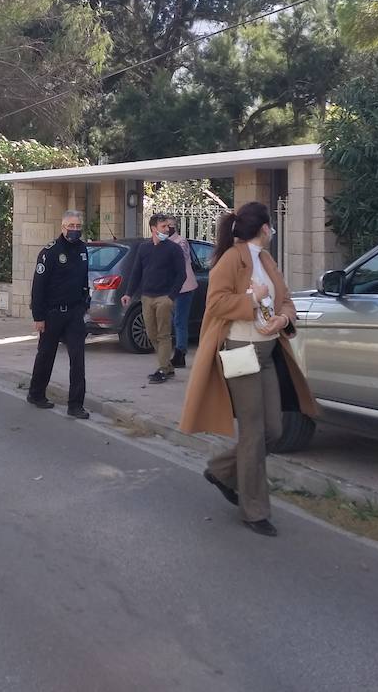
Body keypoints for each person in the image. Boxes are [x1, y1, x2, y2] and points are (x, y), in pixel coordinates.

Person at [179, 201, 318, 537]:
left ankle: (221, 469)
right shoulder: (231, 259)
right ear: (265, 228)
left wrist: (283, 318)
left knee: (274, 429)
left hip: (268, 354)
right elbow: (215, 303)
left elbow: (286, 300)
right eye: (271, 226)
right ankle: (254, 510)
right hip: (240, 351)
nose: (272, 231)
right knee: (254, 433)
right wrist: (253, 300)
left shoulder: (266, 260)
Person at [26, 210, 91, 419]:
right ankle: (36, 394)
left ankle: (75, 405)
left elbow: (83, 280)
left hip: (74, 314)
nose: (74, 230)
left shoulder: (82, 249)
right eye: (70, 226)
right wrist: (38, 317)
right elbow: (38, 287)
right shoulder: (50, 252)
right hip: (52, 314)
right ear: (62, 227)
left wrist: (84, 305)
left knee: (78, 359)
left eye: (77, 226)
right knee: (45, 355)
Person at [121, 213, 187, 384]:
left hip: (164, 297)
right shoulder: (144, 248)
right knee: (151, 334)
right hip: (147, 297)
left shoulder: (174, 249)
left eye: (168, 226)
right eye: (163, 226)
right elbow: (136, 273)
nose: (168, 229)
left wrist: (171, 297)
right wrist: (128, 293)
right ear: (153, 229)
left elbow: (182, 275)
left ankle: (163, 369)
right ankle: (167, 366)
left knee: (163, 334)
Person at [165, 215, 199, 369]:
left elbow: (183, 260)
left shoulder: (181, 242)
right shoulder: (164, 243)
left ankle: (180, 353)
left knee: (180, 321)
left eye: (171, 225)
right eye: (166, 225)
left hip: (185, 287)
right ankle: (177, 350)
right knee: (174, 320)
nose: (168, 228)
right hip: (171, 288)